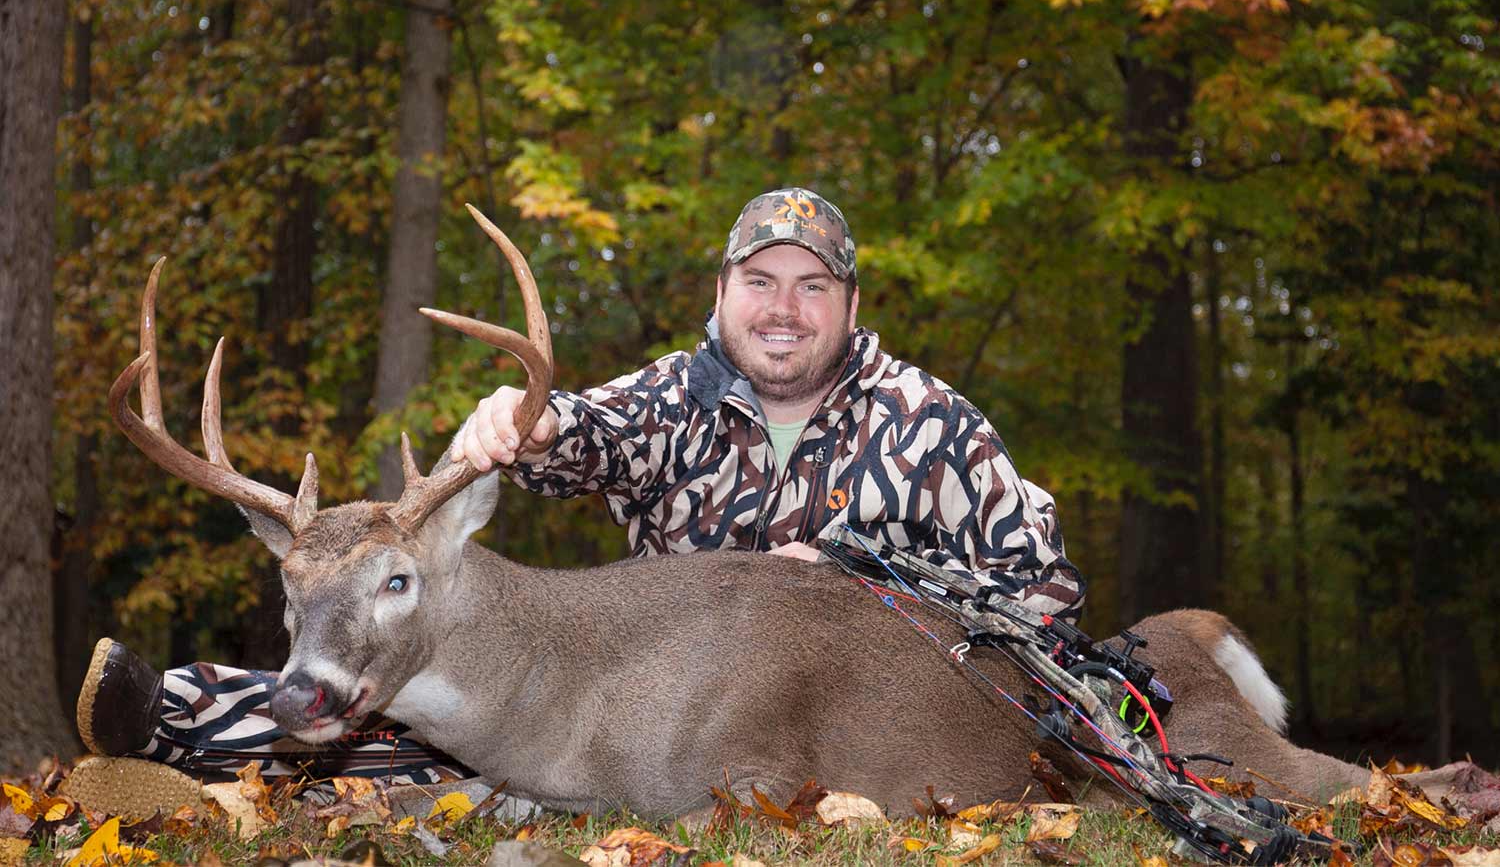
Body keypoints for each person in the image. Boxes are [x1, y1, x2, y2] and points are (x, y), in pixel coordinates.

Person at [69, 187, 1084, 811]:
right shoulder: (667, 398)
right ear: (722, 293)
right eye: (759, 282)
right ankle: (179, 715)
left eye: (812, 286)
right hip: (638, 673)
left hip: (829, 703)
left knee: (468, 766)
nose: (783, 309)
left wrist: (869, 590)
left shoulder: (932, 423)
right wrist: (524, 422)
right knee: (416, 709)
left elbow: (1045, 601)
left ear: (851, 305)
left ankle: (219, 738)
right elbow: (569, 440)